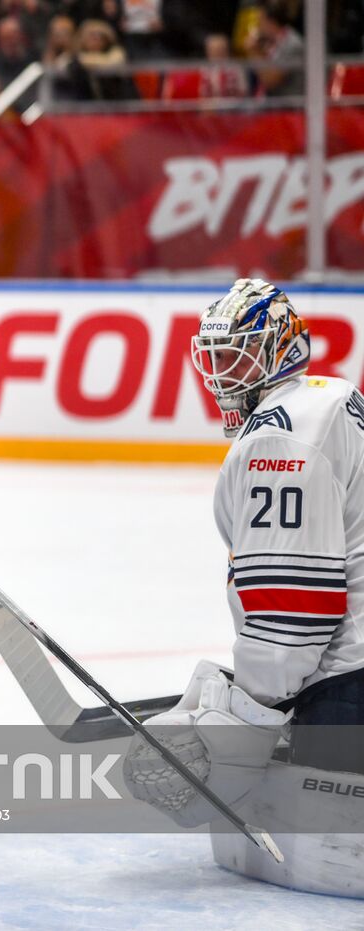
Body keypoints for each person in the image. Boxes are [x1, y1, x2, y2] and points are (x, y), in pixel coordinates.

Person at [124, 278, 364, 827]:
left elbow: (294, 608)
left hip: (349, 680)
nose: (222, 374)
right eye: (215, 358)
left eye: (239, 357)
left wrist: (248, 718)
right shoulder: (330, 397)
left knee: (313, 832)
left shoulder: (278, 439)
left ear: (283, 348)